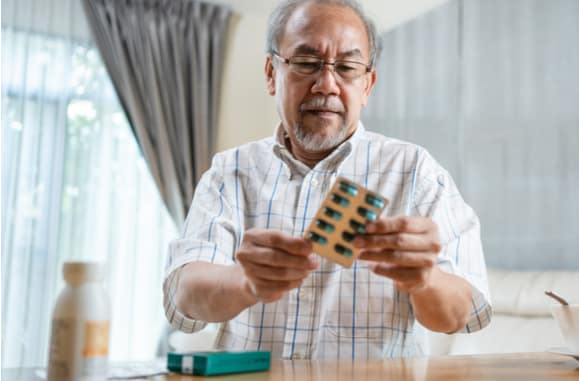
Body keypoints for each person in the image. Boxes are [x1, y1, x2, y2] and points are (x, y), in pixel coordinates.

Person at [163, 0, 492, 360]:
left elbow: (464, 314)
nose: (326, 84)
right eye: (306, 63)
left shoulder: (416, 172)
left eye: (347, 67)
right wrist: (245, 282)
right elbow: (185, 297)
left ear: (367, 85)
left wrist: (424, 280)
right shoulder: (230, 172)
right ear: (272, 73)